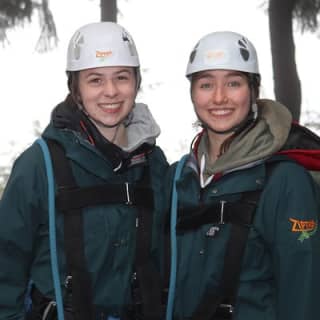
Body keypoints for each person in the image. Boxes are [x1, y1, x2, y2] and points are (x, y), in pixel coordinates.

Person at [0, 22, 168, 319]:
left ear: (136, 82)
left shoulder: (153, 165)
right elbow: (6, 267)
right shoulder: (40, 165)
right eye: (95, 80)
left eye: (122, 77)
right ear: (75, 88)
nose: (111, 92)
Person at [165, 31, 320, 320]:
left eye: (233, 83)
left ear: (253, 90)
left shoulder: (284, 181)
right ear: (192, 93)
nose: (219, 97)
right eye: (206, 84)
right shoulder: (178, 179)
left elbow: (303, 295)